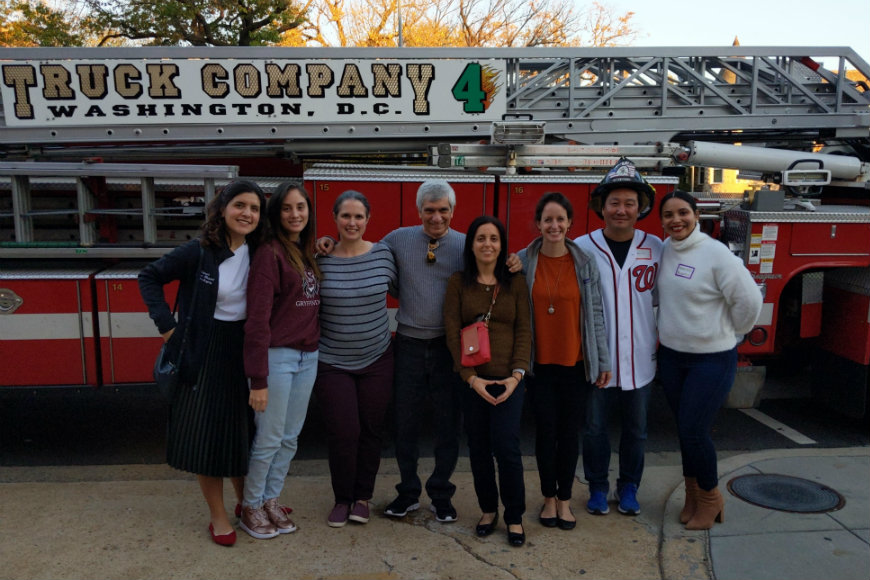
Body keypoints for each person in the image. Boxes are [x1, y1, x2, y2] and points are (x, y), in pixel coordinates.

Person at [317, 179, 465, 523]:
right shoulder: (396, 241)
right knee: (404, 425)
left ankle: (441, 495)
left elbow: (492, 264)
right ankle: (408, 493)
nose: (436, 217)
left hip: (448, 347)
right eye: (429, 210)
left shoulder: (464, 245)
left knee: (447, 426)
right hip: (409, 345)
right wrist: (323, 242)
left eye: (443, 210)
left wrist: (513, 264)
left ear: (453, 211)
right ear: (419, 211)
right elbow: (355, 249)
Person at [138, 179, 267, 547]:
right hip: (204, 352)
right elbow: (148, 277)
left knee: (242, 432)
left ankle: (247, 503)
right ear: (222, 209)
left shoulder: (259, 250)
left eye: (255, 208)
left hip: (242, 350)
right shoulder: (200, 251)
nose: (247, 213)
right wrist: (168, 328)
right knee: (207, 436)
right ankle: (218, 515)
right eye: (240, 205)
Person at [656, 190, 762, 530]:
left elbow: (749, 301)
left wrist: (733, 334)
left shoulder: (716, 254)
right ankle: (692, 495)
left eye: (683, 212)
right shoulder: (664, 250)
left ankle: (711, 497)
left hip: (711, 360)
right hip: (673, 358)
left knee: (694, 430)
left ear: (696, 215)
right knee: (685, 432)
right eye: (669, 214)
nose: (676, 220)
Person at [518, 192, 611, 530]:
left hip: (576, 363)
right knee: (545, 433)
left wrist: (603, 359)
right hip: (539, 365)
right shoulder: (523, 261)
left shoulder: (585, 262)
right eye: (548, 219)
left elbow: (596, 313)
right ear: (538, 224)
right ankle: (547, 498)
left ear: (570, 223)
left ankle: (565, 500)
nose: (554, 225)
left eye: (560, 219)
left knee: (570, 435)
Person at [574, 158, 661, 517]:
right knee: (594, 428)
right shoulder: (581, 246)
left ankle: (629, 487)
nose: (621, 209)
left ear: (641, 207)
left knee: (637, 430)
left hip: (641, 357)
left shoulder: (657, 247)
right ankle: (597, 487)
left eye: (629, 202)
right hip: (598, 358)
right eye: (614, 202)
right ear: (601, 207)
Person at [444, 215, 532, 547]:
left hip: (509, 380)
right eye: (481, 238)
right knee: (479, 449)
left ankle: (514, 516)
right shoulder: (457, 283)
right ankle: (487, 510)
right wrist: (471, 378)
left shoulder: (516, 282)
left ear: (502, 245)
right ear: (471, 245)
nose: (487, 244)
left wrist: (516, 375)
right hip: (473, 383)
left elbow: (524, 330)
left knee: (507, 449)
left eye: (494, 238)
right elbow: (453, 334)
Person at [241, 182, 321, 540]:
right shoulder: (268, 255)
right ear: (276, 214)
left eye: (301, 207)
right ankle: (251, 506)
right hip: (278, 358)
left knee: (290, 437)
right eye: (287, 208)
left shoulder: (305, 251)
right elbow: (256, 322)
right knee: (270, 437)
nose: (295, 214)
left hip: (308, 356)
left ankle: (271, 498)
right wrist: (258, 379)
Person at [315, 191, 398, 528]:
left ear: (368, 219)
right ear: (335, 219)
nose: (352, 223)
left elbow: (408, 288)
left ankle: (362, 497)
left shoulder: (384, 255)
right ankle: (342, 498)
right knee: (343, 431)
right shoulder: (319, 258)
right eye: (346, 216)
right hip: (332, 360)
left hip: (377, 358)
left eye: (358, 216)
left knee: (371, 431)